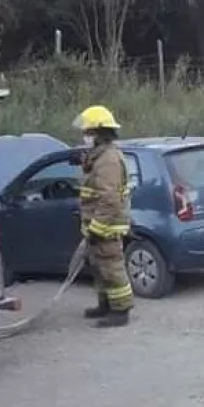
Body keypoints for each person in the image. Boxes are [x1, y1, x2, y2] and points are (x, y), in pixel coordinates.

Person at [70, 105, 134, 328]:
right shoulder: (99, 157)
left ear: (98, 132)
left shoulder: (109, 160)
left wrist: (97, 228)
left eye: (88, 132)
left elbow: (109, 198)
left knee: (112, 268)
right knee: (99, 268)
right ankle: (105, 304)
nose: (85, 136)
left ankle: (121, 310)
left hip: (106, 227)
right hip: (97, 225)